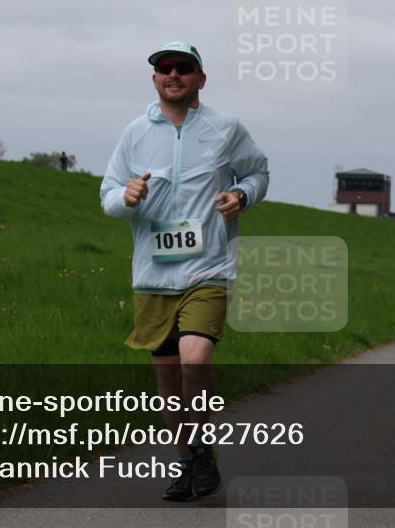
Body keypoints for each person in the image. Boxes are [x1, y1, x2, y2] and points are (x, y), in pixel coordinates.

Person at [101, 41, 269, 502]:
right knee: (168, 380)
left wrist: (243, 195)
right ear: (155, 79)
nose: (172, 74)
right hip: (152, 275)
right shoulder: (135, 133)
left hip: (208, 268)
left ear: (200, 78)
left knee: (195, 359)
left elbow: (257, 172)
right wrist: (126, 197)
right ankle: (188, 460)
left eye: (183, 68)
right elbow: (108, 194)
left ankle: (201, 446)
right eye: (163, 68)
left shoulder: (225, 128)